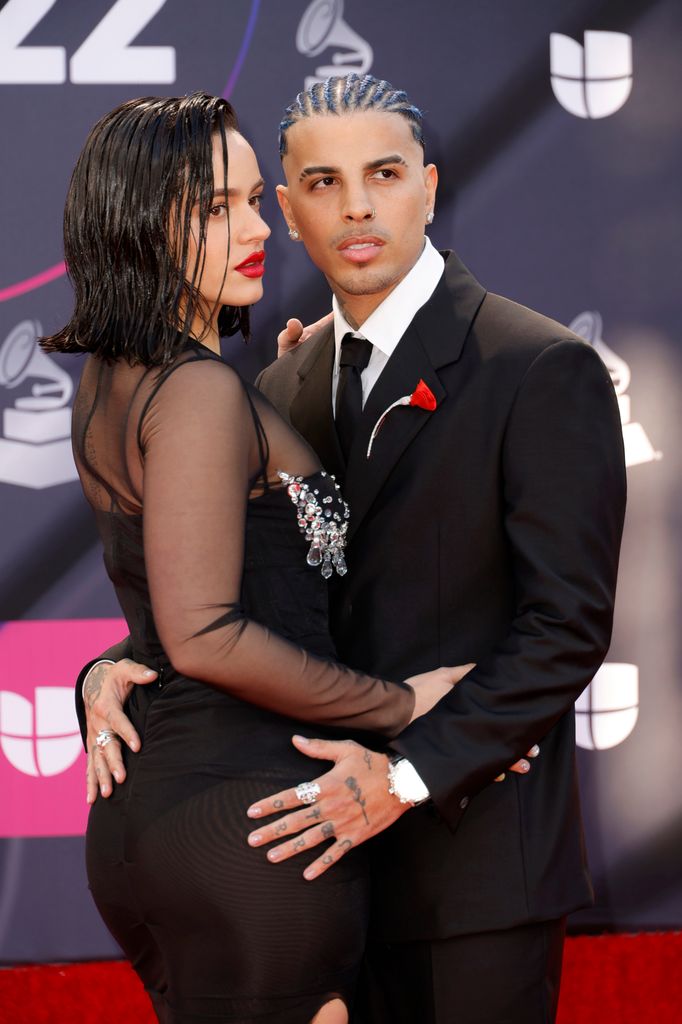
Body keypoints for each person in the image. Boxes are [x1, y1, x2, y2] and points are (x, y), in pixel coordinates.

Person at [76, 74, 626, 1023]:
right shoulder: (278, 382)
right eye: (321, 184)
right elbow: (249, 588)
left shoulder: (538, 366)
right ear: (291, 211)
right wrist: (117, 662)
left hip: (470, 874)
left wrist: (403, 777)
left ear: (430, 185)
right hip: (302, 847)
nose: (357, 205)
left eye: (383, 173)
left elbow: (565, 629)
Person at [46, 90, 482, 1024]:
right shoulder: (196, 390)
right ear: (136, 223)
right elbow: (203, 634)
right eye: (213, 208)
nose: (254, 227)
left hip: (157, 824)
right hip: (256, 826)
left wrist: (105, 667)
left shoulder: (116, 377)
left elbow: (168, 608)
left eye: (251, 198)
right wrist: (407, 706)